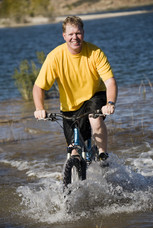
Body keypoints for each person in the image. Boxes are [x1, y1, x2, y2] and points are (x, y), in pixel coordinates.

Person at [33, 16, 118, 163]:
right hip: (69, 107)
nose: (75, 37)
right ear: (64, 36)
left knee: (95, 119)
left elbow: (110, 82)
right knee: (73, 151)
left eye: (78, 33)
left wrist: (110, 103)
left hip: (94, 96)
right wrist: (39, 108)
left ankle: (103, 155)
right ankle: (76, 176)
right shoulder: (54, 57)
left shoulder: (95, 52)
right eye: (71, 34)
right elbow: (38, 87)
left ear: (83, 33)